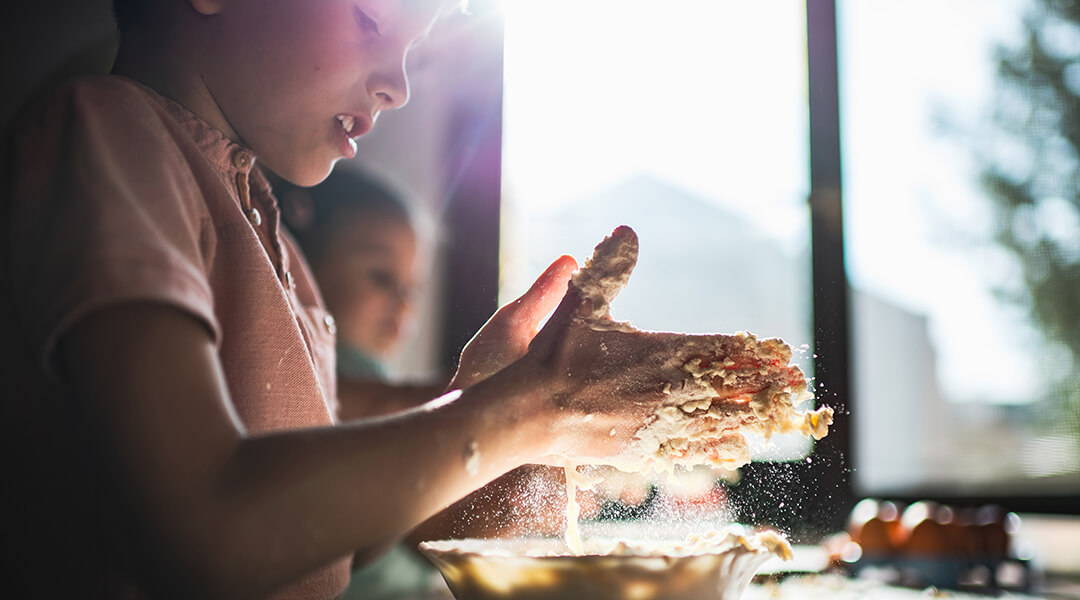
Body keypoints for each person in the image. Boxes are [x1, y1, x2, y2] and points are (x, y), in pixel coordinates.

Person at [2, 1, 720, 599]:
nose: (398, 86)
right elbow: (207, 528)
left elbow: (320, 541)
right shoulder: (107, 132)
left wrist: (474, 401)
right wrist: (525, 410)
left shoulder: (278, 251)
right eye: (373, 20)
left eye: (415, 49)